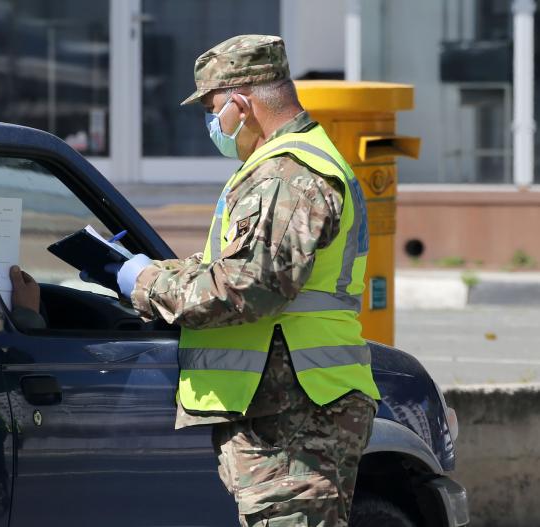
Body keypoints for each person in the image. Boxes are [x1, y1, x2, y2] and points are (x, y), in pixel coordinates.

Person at [111, 35, 381, 526]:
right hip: (289, 410)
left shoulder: (286, 174)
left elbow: (248, 288)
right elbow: (241, 266)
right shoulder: (285, 166)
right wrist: (156, 271)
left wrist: (145, 283)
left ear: (241, 102)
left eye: (213, 109)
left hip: (296, 415)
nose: (211, 124)